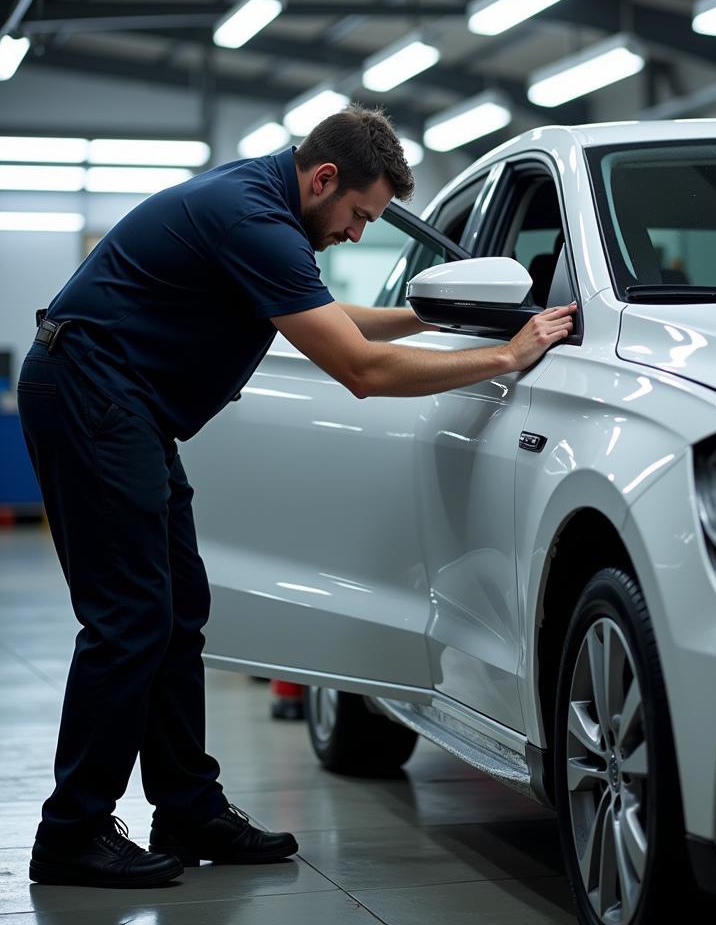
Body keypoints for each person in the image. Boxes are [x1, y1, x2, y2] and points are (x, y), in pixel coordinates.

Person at [17, 104, 576, 888]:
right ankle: (70, 833)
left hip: (120, 403)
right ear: (322, 179)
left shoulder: (265, 208)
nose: (357, 233)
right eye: (358, 215)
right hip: (92, 395)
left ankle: (187, 808)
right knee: (131, 620)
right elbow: (360, 371)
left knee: (176, 615)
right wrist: (506, 356)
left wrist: (427, 316)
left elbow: (331, 318)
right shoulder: (254, 219)